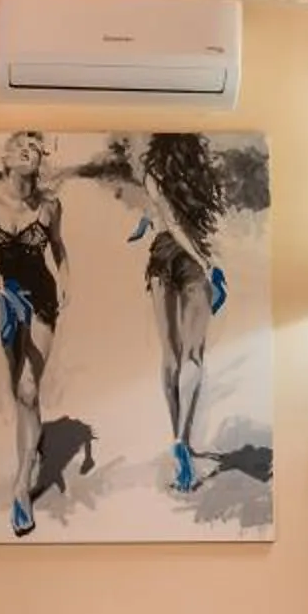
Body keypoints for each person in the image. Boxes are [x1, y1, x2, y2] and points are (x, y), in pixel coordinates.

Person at [0, 130, 65, 537]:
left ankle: (21, 488)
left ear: (41, 161)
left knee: (28, 389)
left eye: (35, 149)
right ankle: (34, 437)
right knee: (15, 387)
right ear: (7, 158)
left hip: (41, 298)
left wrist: (68, 280)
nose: (29, 151)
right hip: (4, 298)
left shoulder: (51, 205)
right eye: (21, 147)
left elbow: (57, 246)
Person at [118, 133, 227, 493]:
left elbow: (167, 220)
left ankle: (177, 438)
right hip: (193, 261)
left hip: (163, 257)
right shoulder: (200, 176)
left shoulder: (153, 173)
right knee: (194, 354)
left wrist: (146, 225)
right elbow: (181, 221)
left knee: (171, 353)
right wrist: (205, 263)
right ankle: (182, 438)